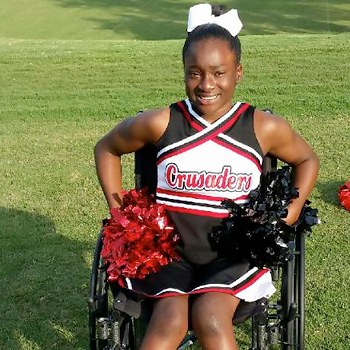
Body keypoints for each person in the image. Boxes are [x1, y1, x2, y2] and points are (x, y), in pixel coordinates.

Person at [94, 4, 319, 350]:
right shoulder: (161, 123)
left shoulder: (262, 126)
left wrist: (289, 213)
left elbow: (306, 159)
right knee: (168, 321)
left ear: (238, 72)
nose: (206, 84)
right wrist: (119, 212)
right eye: (195, 73)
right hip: (170, 254)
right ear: (183, 72)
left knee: (210, 317)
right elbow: (106, 148)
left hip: (233, 256)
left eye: (219, 73)